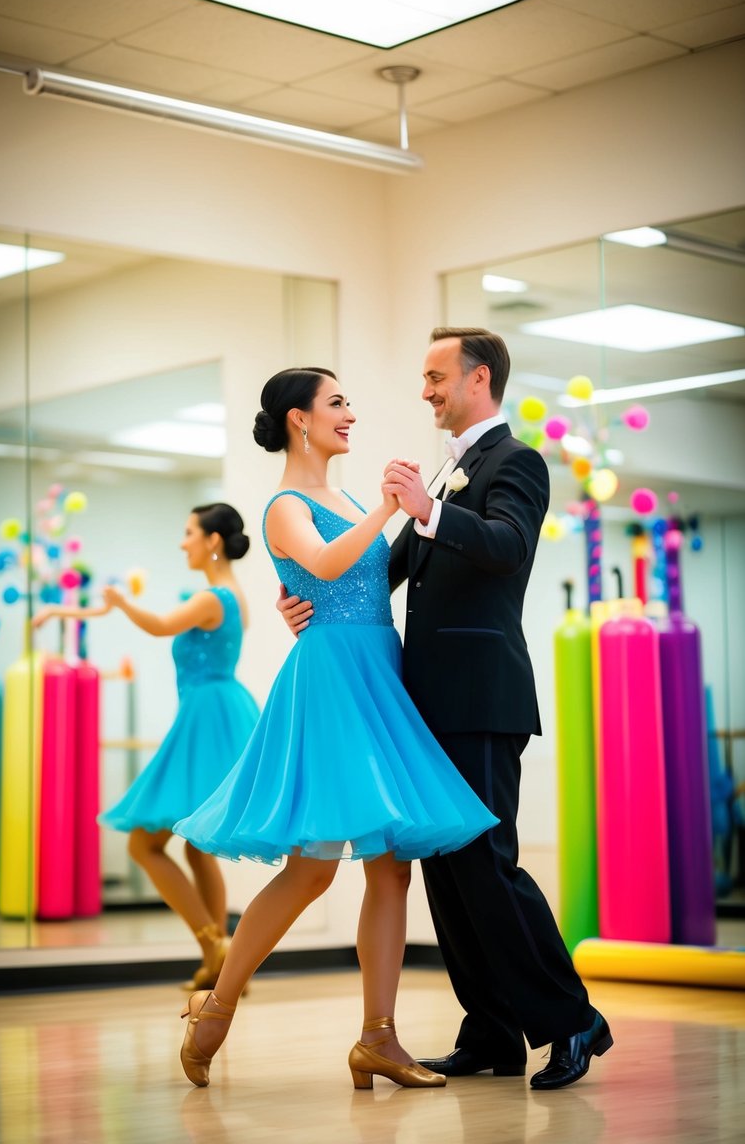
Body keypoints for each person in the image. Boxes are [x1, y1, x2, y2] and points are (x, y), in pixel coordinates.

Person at [282, 330, 612, 1092]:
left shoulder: (515, 461)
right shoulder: (450, 466)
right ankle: (492, 1030)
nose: (424, 389)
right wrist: (314, 598)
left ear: (478, 378)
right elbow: (385, 567)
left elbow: (505, 547)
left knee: (487, 865)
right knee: (447, 871)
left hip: (482, 695)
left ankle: (571, 1022)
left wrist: (427, 507)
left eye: (435, 376)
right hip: (425, 703)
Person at [172, 367, 498, 1091]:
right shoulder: (286, 503)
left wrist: (377, 514)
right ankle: (216, 1008)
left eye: (348, 402)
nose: (349, 414)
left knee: (391, 865)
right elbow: (320, 562)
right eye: (337, 403)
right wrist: (384, 510)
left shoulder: (342, 497)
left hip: (377, 671)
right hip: (330, 683)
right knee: (313, 868)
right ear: (298, 418)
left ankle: (377, 1037)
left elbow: (351, 579)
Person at [33, 503, 258, 991]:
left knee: (144, 842)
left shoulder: (212, 597)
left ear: (212, 541)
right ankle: (216, 958)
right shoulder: (234, 596)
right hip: (216, 710)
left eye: (188, 532)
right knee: (198, 850)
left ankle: (215, 944)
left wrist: (120, 601)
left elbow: (158, 626)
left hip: (206, 716)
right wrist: (69, 608)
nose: (183, 542)